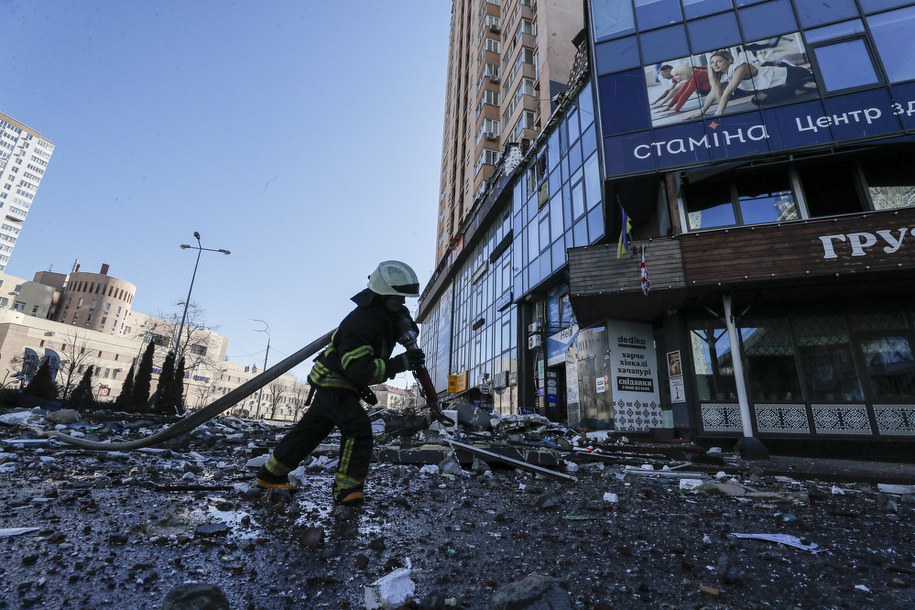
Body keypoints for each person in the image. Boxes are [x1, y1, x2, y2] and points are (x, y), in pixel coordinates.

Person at [255, 260, 426, 506]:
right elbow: (360, 370)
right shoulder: (362, 323)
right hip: (335, 381)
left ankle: (270, 475)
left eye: (403, 300)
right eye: (398, 299)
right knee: (358, 429)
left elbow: (404, 326)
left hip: (338, 384)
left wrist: (405, 327)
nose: (402, 304)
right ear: (382, 297)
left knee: (309, 433)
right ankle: (347, 491)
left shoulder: (387, 314)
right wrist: (400, 363)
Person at [693, 49, 814, 118]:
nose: (715, 65)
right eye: (712, 63)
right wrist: (702, 111)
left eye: (718, 61)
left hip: (794, 75)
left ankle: (803, 85)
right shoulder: (724, 75)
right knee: (757, 100)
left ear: (729, 60)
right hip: (780, 84)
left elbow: (727, 93)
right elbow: (712, 93)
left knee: (761, 97)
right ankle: (799, 89)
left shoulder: (741, 68)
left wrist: (718, 114)